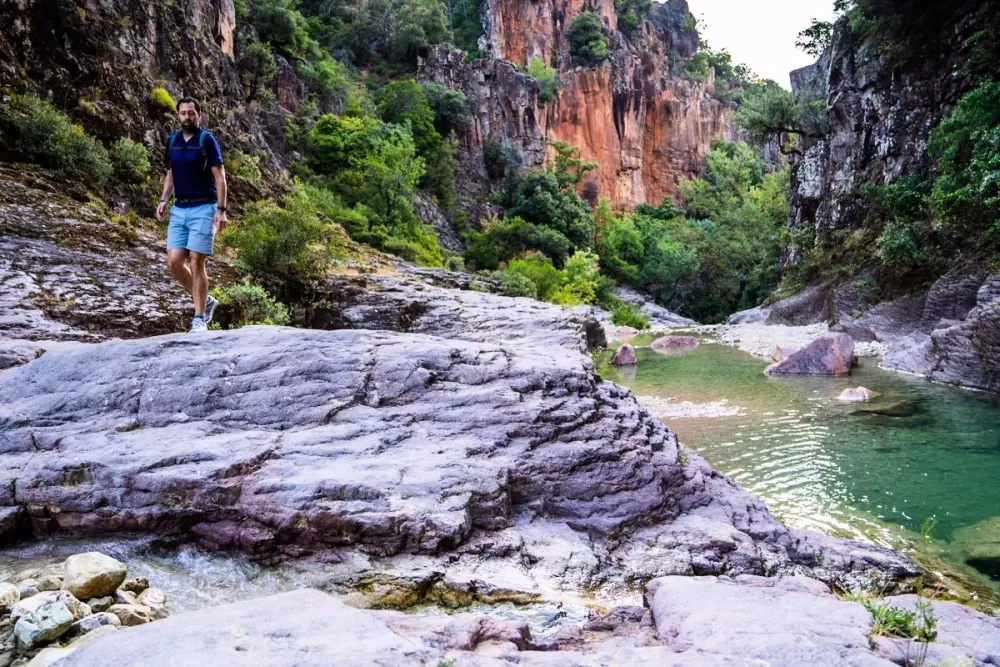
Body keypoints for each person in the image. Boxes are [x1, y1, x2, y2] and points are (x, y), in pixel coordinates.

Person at [156, 97, 228, 333]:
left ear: (200, 114)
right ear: (178, 115)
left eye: (191, 113)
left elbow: (220, 178)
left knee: (197, 263)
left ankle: (199, 318)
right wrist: (163, 200)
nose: (187, 117)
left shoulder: (207, 141)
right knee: (174, 263)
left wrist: (221, 210)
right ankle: (206, 301)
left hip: (204, 209)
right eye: (183, 113)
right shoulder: (173, 141)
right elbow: (170, 175)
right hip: (179, 209)